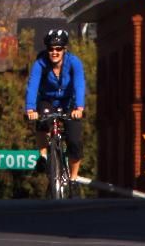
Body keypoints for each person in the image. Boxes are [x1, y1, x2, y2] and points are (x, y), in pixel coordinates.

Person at [24, 28, 85, 181]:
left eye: (58, 49)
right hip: (48, 101)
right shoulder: (40, 63)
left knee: (74, 142)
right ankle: (43, 156)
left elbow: (79, 84)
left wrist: (79, 107)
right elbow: (32, 85)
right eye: (51, 49)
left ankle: (73, 178)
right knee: (42, 121)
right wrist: (30, 108)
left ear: (64, 49)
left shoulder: (74, 63)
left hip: (69, 103)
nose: (54, 52)